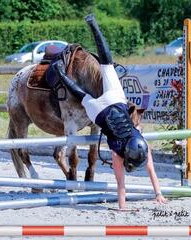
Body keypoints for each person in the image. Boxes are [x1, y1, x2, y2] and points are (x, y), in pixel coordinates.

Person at [54, 33, 167, 210]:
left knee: (107, 65)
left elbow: (150, 171)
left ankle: (94, 27)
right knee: (81, 95)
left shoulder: (141, 140)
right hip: (98, 112)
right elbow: (121, 185)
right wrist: (130, 204)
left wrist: (158, 192)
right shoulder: (117, 154)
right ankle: (60, 71)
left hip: (116, 100)